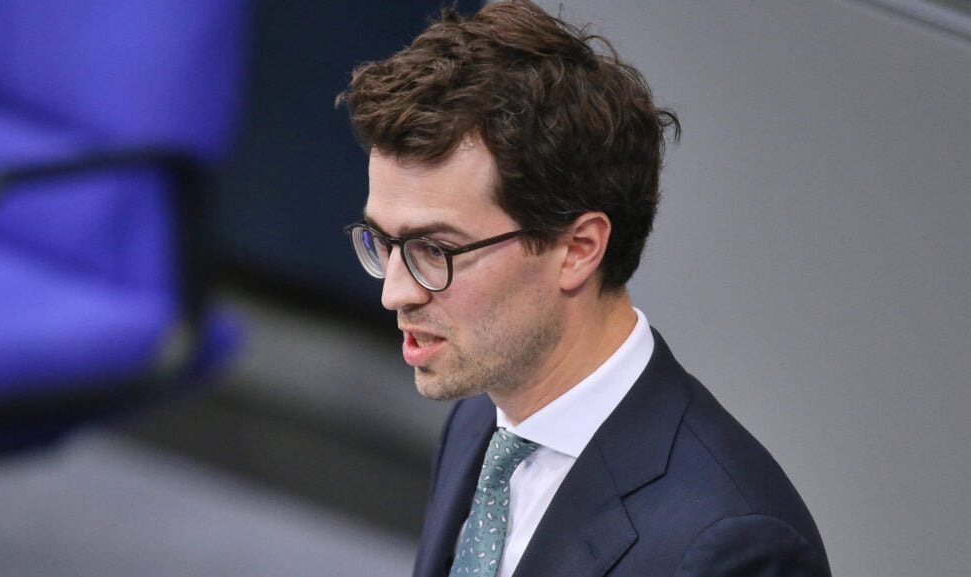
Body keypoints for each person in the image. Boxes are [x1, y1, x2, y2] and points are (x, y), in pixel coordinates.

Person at [337, 1, 831, 576]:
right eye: (383, 241)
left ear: (578, 249)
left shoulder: (734, 544)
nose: (395, 293)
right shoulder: (480, 417)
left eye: (435, 250)